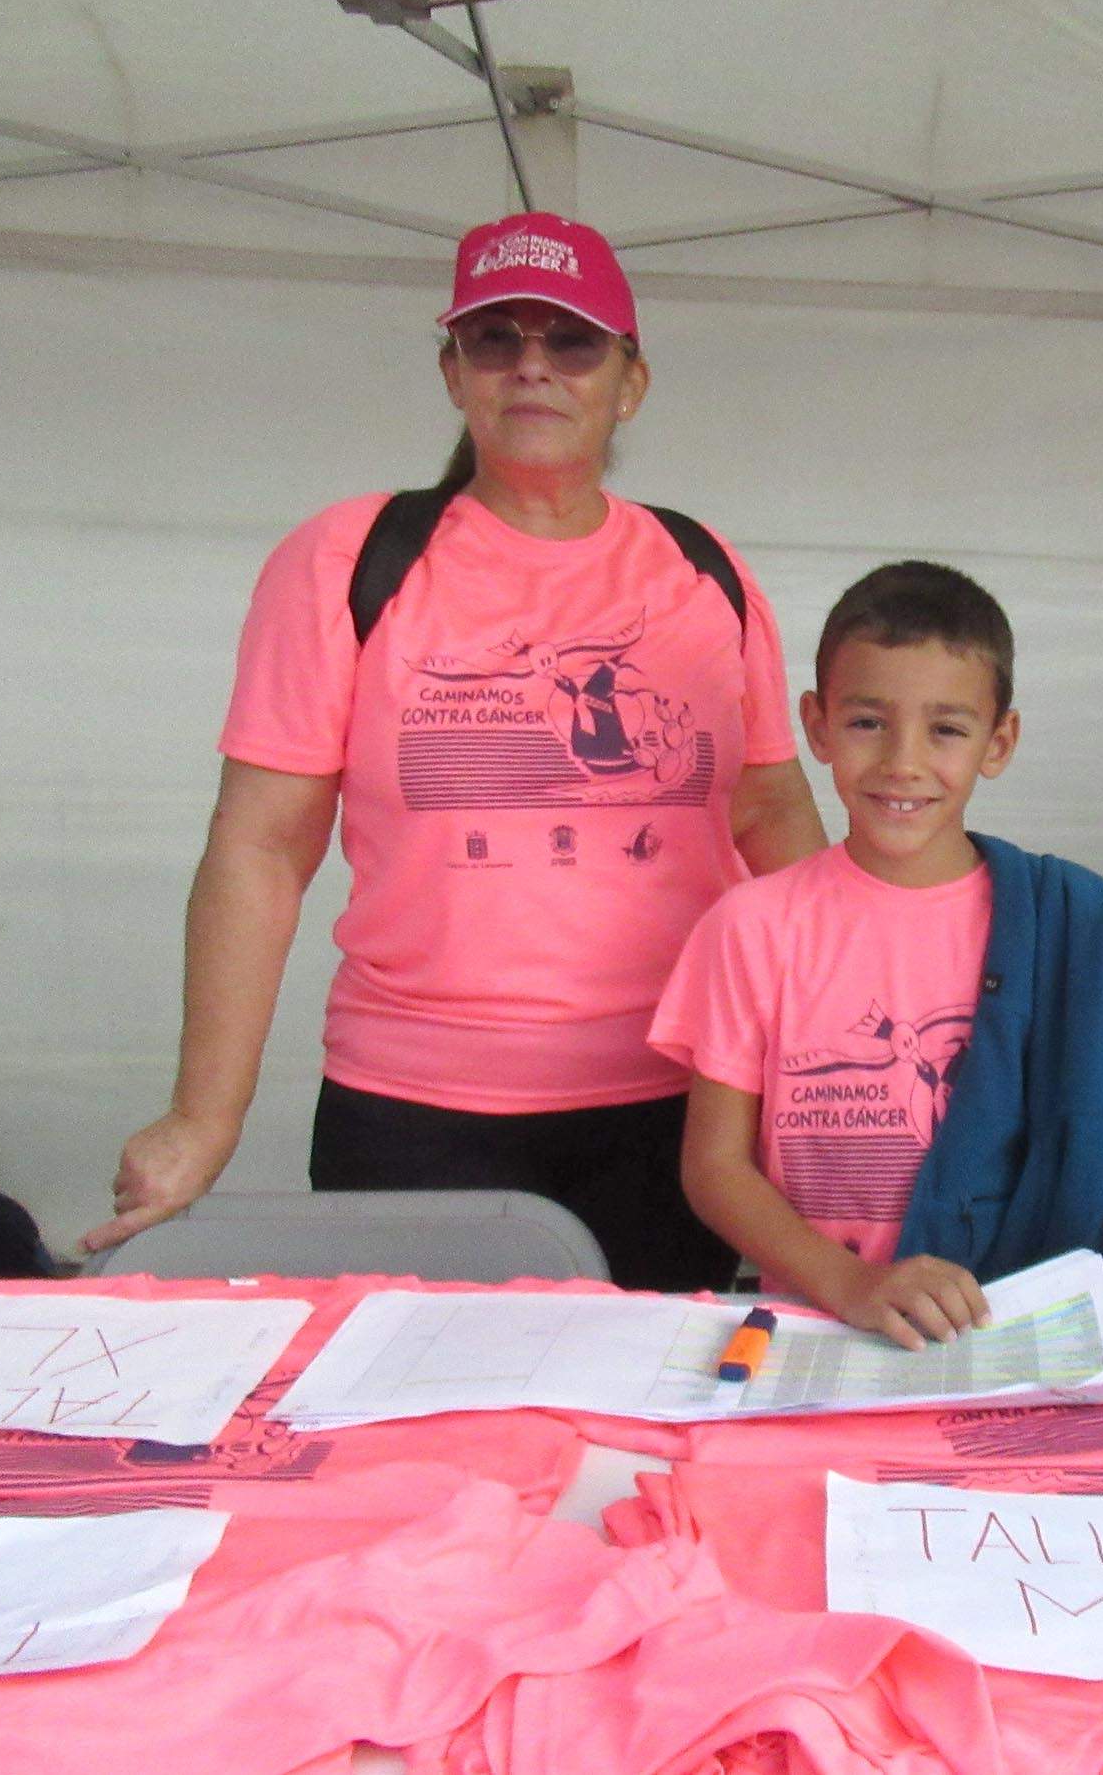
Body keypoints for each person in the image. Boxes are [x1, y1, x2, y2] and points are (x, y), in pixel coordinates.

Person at [86, 211, 826, 1286]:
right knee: (425, 1436)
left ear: (630, 381)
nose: (533, 366)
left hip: (678, 1113)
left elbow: (773, 820)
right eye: (497, 338)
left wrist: (841, 1063)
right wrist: (204, 1118)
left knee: (645, 1425)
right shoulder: (349, 559)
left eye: (571, 342)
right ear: (453, 371)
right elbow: (261, 848)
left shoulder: (702, 569)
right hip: (413, 1122)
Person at [650, 561, 1103, 1350]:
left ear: (998, 740)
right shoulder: (752, 925)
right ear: (816, 724)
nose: (903, 762)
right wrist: (852, 1284)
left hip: (1020, 1328)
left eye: (945, 729)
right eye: (869, 721)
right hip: (826, 1329)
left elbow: (1088, 1121)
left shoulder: (1058, 922)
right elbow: (715, 1166)